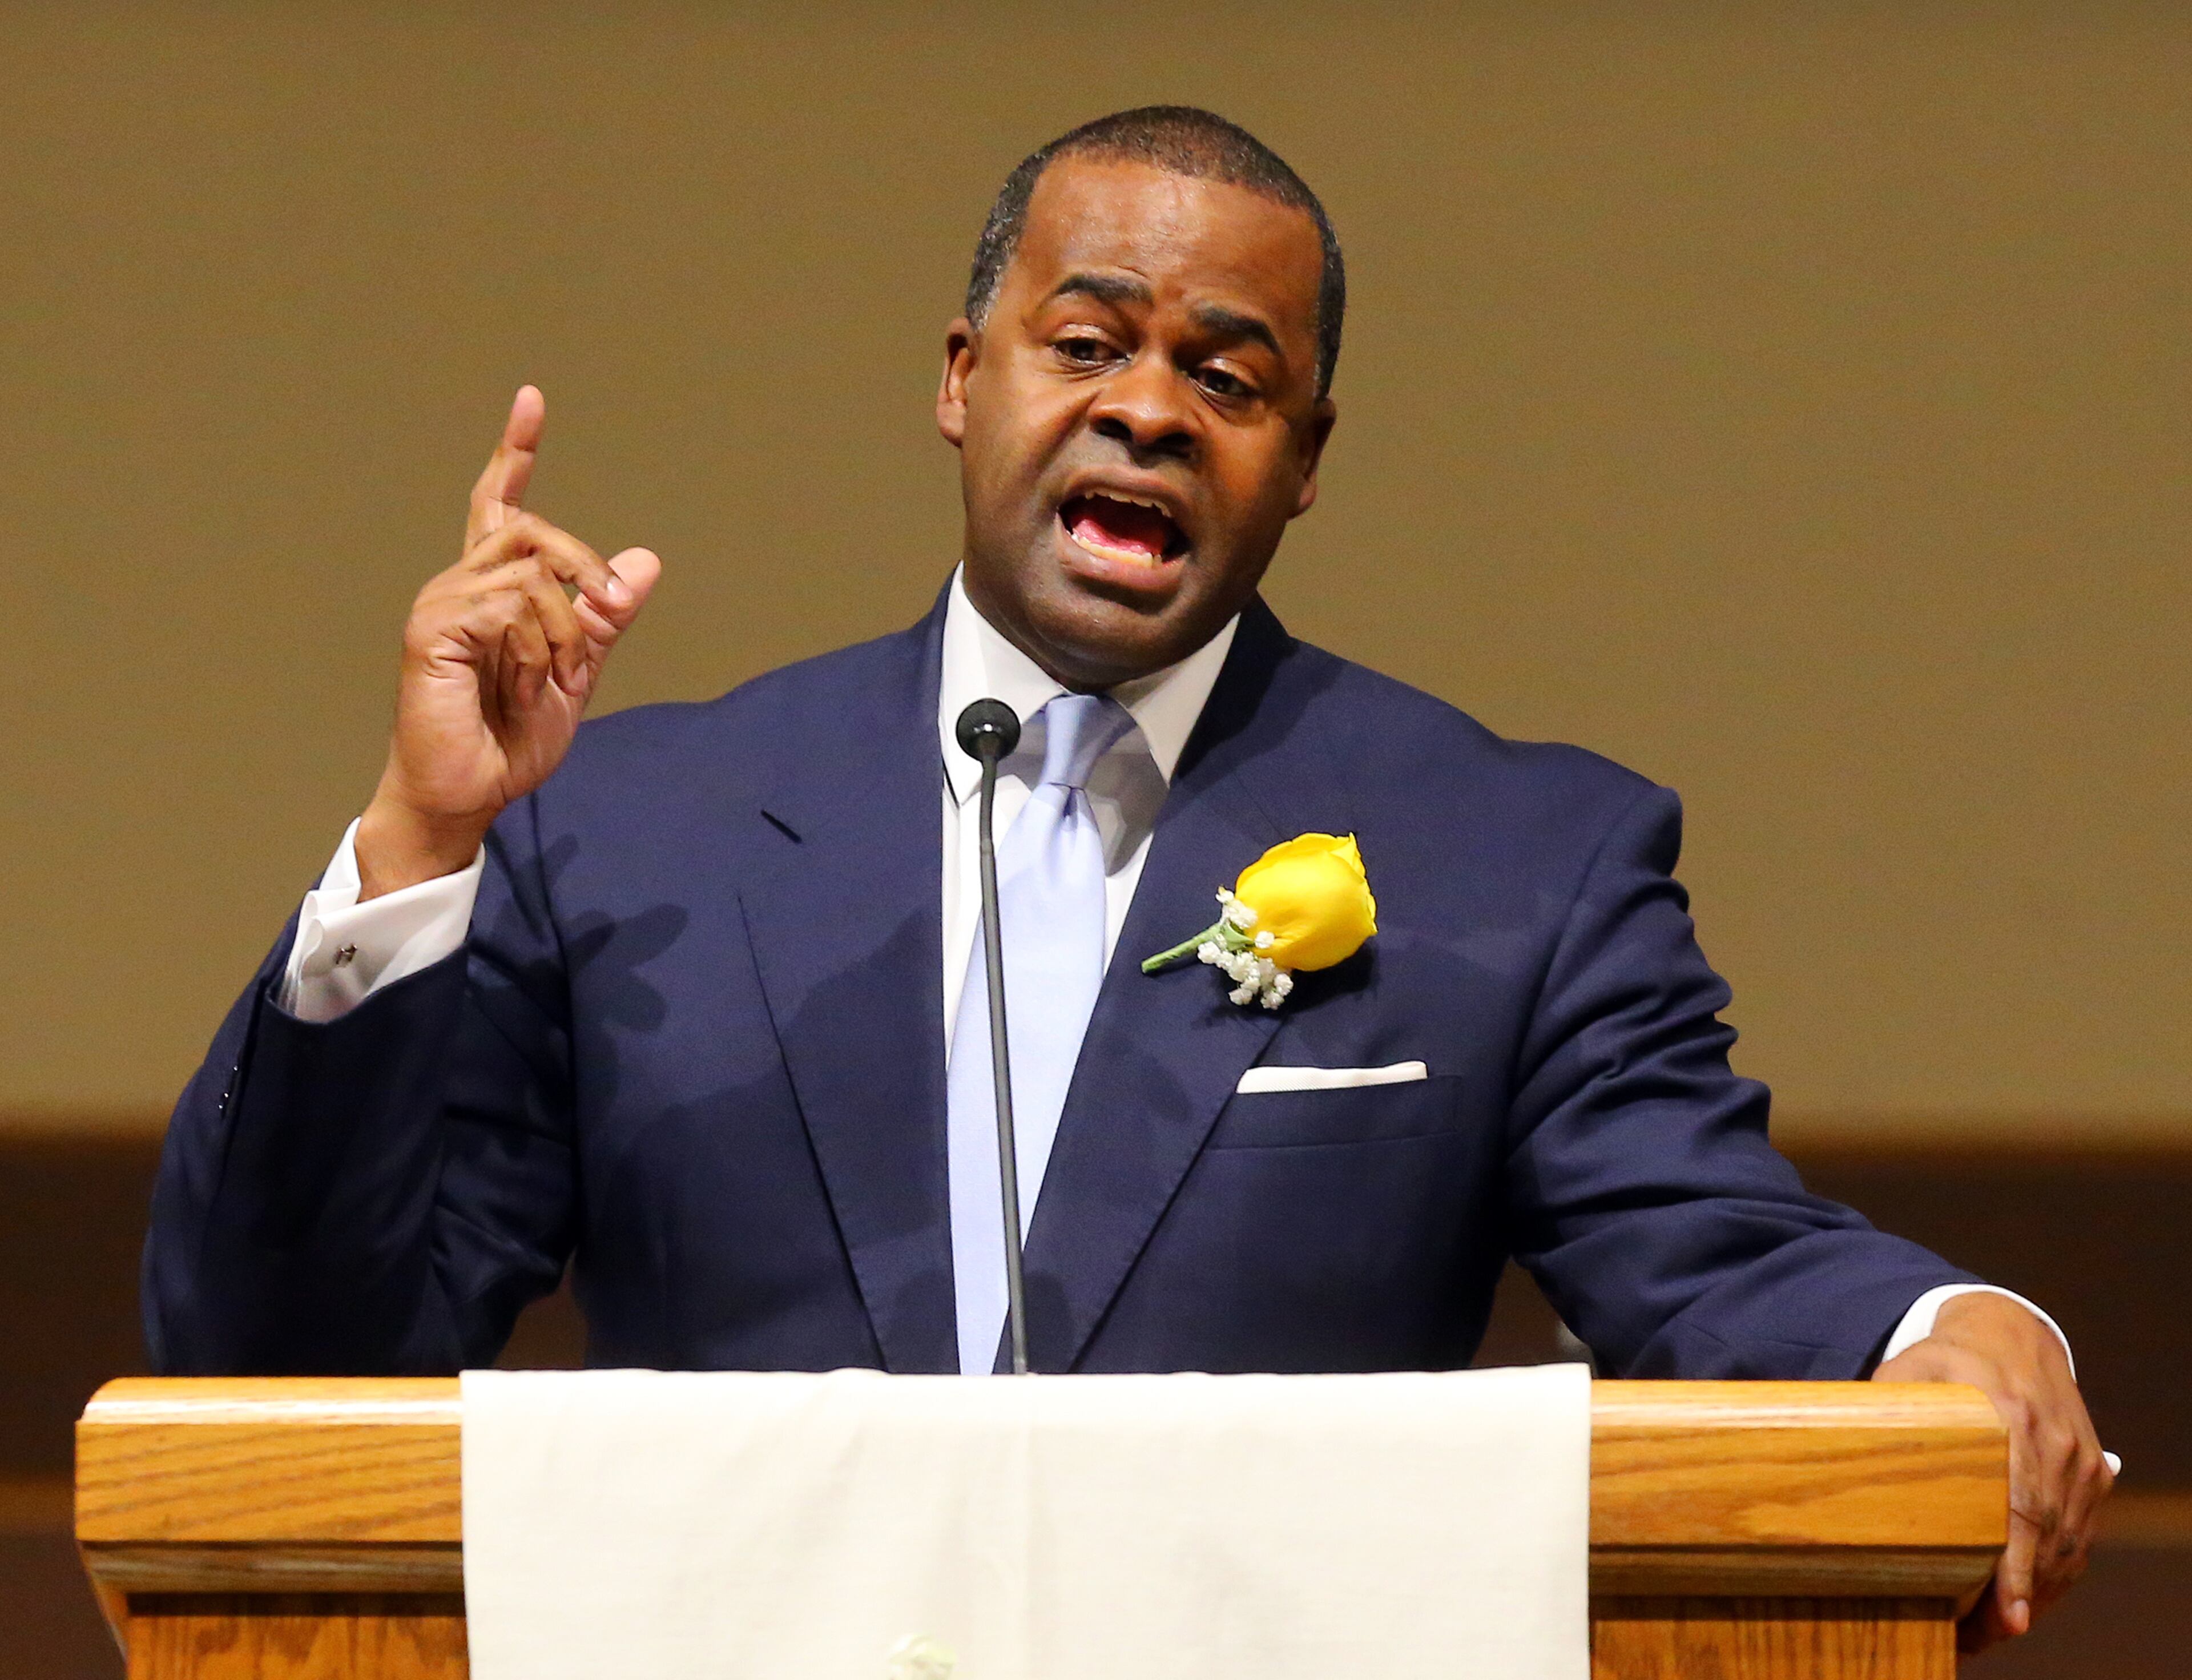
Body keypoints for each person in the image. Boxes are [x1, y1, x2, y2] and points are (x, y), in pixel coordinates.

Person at [146, 106, 2109, 1650]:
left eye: (1230, 378)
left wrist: (1946, 1325)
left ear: (1307, 458)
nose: (1152, 407)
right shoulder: (635, 832)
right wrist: (418, 852)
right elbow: (290, 1369)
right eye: (1085, 342)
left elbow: (1705, 1244)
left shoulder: (1513, 861)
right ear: (960, 376)